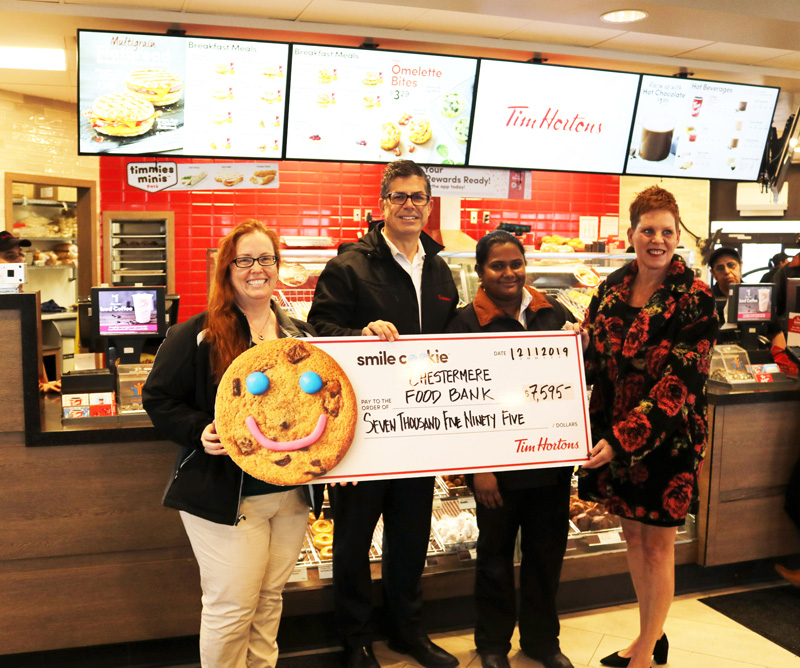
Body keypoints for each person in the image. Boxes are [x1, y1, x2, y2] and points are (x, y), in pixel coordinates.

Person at [142, 219, 324, 668]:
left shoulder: (300, 336)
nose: (256, 269)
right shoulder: (198, 334)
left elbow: (327, 406)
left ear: (278, 266)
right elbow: (158, 397)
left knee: (268, 603)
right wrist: (197, 430)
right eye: (244, 260)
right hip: (226, 496)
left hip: (290, 497)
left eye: (266, 258)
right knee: (232, 609)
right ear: (227, 270)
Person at [307, 160, 459, 668]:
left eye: (418, 197)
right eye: (400, 196)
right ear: (383, 205)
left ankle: (407, 630)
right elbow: (318, 334)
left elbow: (451, 343)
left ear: (429, 204)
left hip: (418, 425)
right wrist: (359, 334)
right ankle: (355, 640)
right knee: (352, 539)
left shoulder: (439, 268)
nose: (410, 205)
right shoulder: (349, 265)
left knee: (410, 534)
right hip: (360, 429)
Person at [573, 186, 718, 668]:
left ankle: (644, 655)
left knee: (657, 546)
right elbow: (594, 360)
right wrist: (568, 348)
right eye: (647, 230)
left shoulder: (696, 298)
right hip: (614, 435)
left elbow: (680, 386)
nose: (657, 239)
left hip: (666, 441)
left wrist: (619, 440)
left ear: (678, 236)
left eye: (667, 232)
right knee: (633, 539)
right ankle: (647, 637)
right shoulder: (611, 286)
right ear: (631, 233)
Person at [445, 231, 575, 668]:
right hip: (497, 471)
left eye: (516, 263)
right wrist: (479, 470)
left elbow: (566, 386)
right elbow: (461, 403)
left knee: (545, 557)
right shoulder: (465, 324)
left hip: (549, 462)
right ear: (481, 272)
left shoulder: (550, 312)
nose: (509, 273)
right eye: (498, 266)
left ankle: (542, 642)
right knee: (496, 559)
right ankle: (493, 645)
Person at [707, 246, 796, 375]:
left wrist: (778, 358)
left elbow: (776, 333)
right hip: (718, 369)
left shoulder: (758, 295)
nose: (727, 271)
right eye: (720, 268)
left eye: (731, 265)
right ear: (713, 273)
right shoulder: (706, 300)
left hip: (758, 369)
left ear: (740, 265)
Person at [0, 230, 60, 392]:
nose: (20, 261)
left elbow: (30, 350)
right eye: (11, 257)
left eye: (20, 255)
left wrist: (44, 384)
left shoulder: (24, 301)